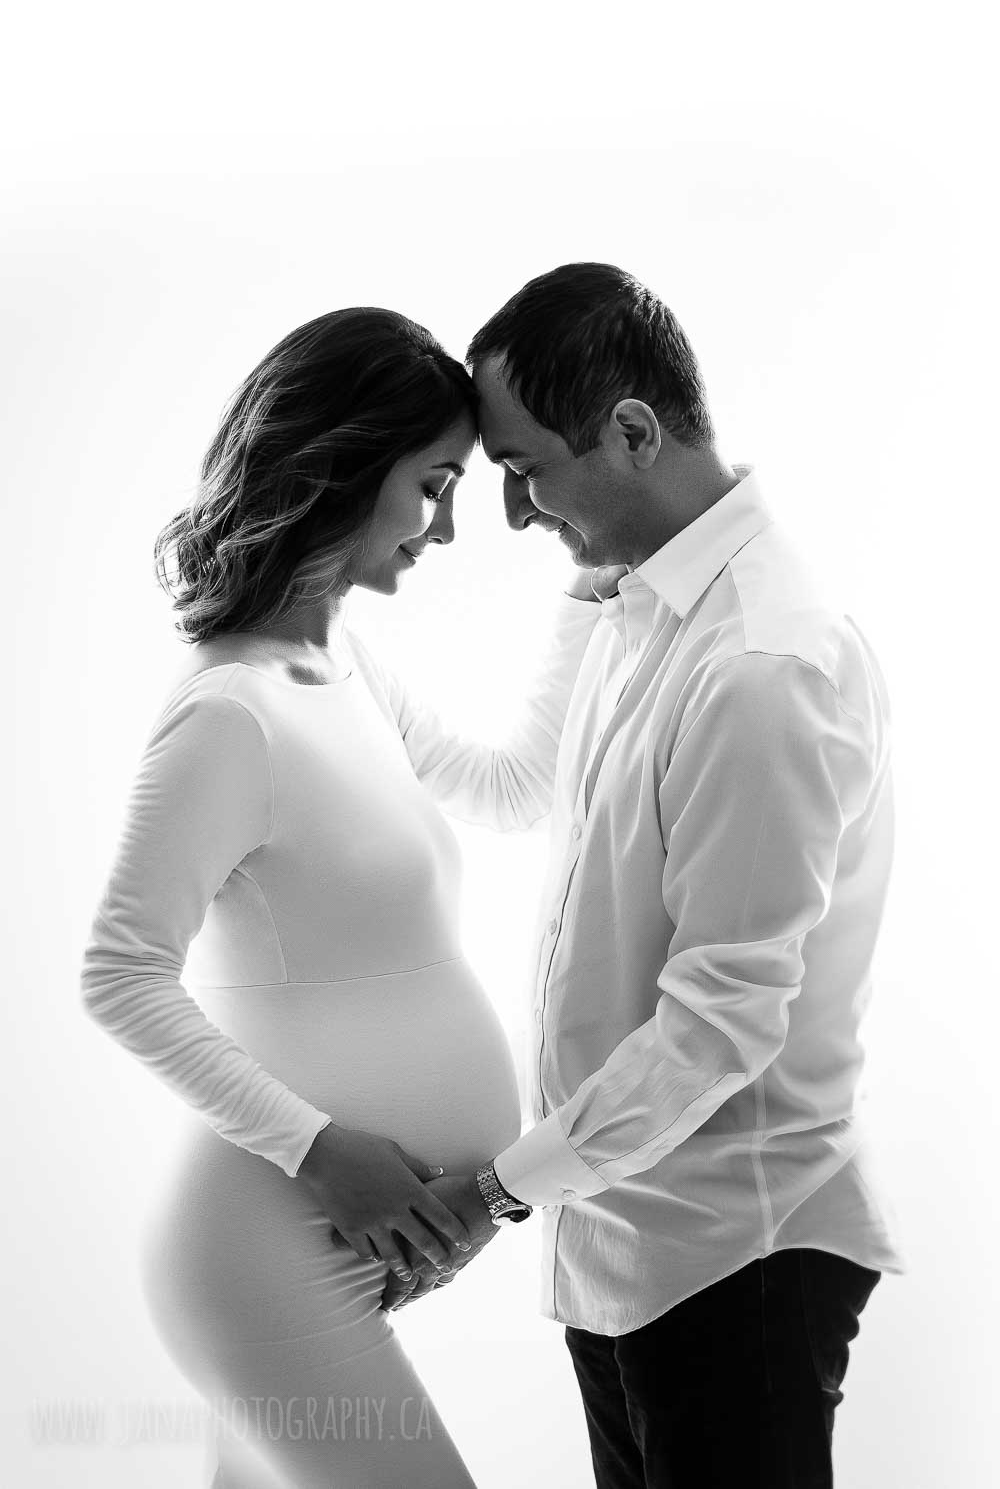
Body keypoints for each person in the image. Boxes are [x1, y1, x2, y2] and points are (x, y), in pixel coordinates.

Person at [380, 263, 907, 1488]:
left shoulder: (761, 664)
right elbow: (519, 787)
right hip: (619, 1243)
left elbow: (719, 1024)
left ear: (630, 432)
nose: (510, 514)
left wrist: (496, 1196)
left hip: (735, 1256)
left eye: (524, 470)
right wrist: (330, 645)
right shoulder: (628, 601)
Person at [79, 306, 605, 1488]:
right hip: (267, 1248)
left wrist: (588, 593)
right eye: (431, 486)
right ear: (341, 469)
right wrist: (322, 1155)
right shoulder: (231, 713)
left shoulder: (342, 663)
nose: (449, 527)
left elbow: (509, 788)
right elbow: (117, 976)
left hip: (341, 1245)